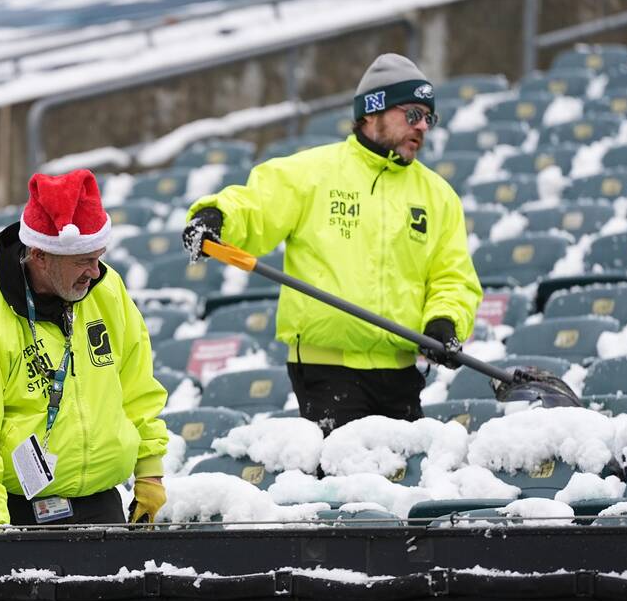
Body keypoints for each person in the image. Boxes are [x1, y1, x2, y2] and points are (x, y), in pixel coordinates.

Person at [182, 53, 482, 432]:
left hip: (401, 370)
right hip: (328, 371)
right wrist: (217, 216)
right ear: (373, 111)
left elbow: (453, 278)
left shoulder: (439, 196)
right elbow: (257, 206)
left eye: (429, 118)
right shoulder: (314, 173)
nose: (422, 126)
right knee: (349, 482)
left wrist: (445, 321)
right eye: (412, 115)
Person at [0, 169, 169, 527]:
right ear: (40, 255)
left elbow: (136, 387)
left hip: (102, 503)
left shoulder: (107, 289)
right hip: (19, 514)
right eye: (82, 261)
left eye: (98, 256)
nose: (95, 271)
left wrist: (150, 472)